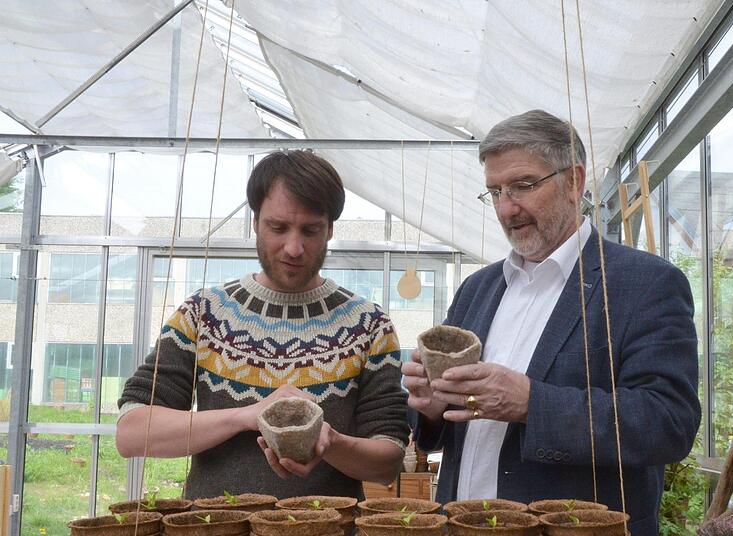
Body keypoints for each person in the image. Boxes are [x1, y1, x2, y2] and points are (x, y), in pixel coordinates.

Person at [402, 110, 700, 534]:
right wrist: (432, 408)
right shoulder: (477, 289)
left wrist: (532, 403)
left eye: (523, 186)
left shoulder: (645, 284)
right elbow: (444, 420)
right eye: (495, 191)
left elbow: (669, 421)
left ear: (574, 181)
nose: (507, 208)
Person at [117, 150, 409, 500]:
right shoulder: (203, 314)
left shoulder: (369, 326)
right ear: (255, 222)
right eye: (278, 227)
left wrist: (328, 441)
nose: (294, 247)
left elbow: (388, 460)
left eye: (310, 230)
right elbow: (132, 432)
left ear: (330, 229)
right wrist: (248, 416)